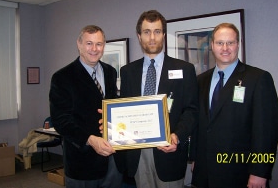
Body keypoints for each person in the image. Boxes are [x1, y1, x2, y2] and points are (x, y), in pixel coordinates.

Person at [191, 23, 278, 188]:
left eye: (230, 42)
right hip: (206, 173)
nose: (225, 48)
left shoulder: (258, 78)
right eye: (219, 43)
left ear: (238, 44)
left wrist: (260, 172)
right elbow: (200, 125)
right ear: (212, 46)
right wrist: (196, 159)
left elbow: (266, 131)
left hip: (241, 173)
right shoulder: (200, 80)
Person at [119, 10, 199, 188]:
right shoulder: (127, 72)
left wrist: (177, 136)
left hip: (169, 150)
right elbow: (124, 110)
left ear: (163, 34)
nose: (152, 38)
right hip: (137, 152)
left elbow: (191, 110)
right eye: (147, 32)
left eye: (157, 31)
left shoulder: (184, 69)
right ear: (139, 36)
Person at [49, 25, 122, 188]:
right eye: (89, 43)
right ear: (79, 44)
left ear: (104, 45)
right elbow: (61, 121)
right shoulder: (62, 77)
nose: (94, 49)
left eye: (99, 44)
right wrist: (89, 140)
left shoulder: (110, 72)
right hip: (82, 162)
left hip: (112, 160)